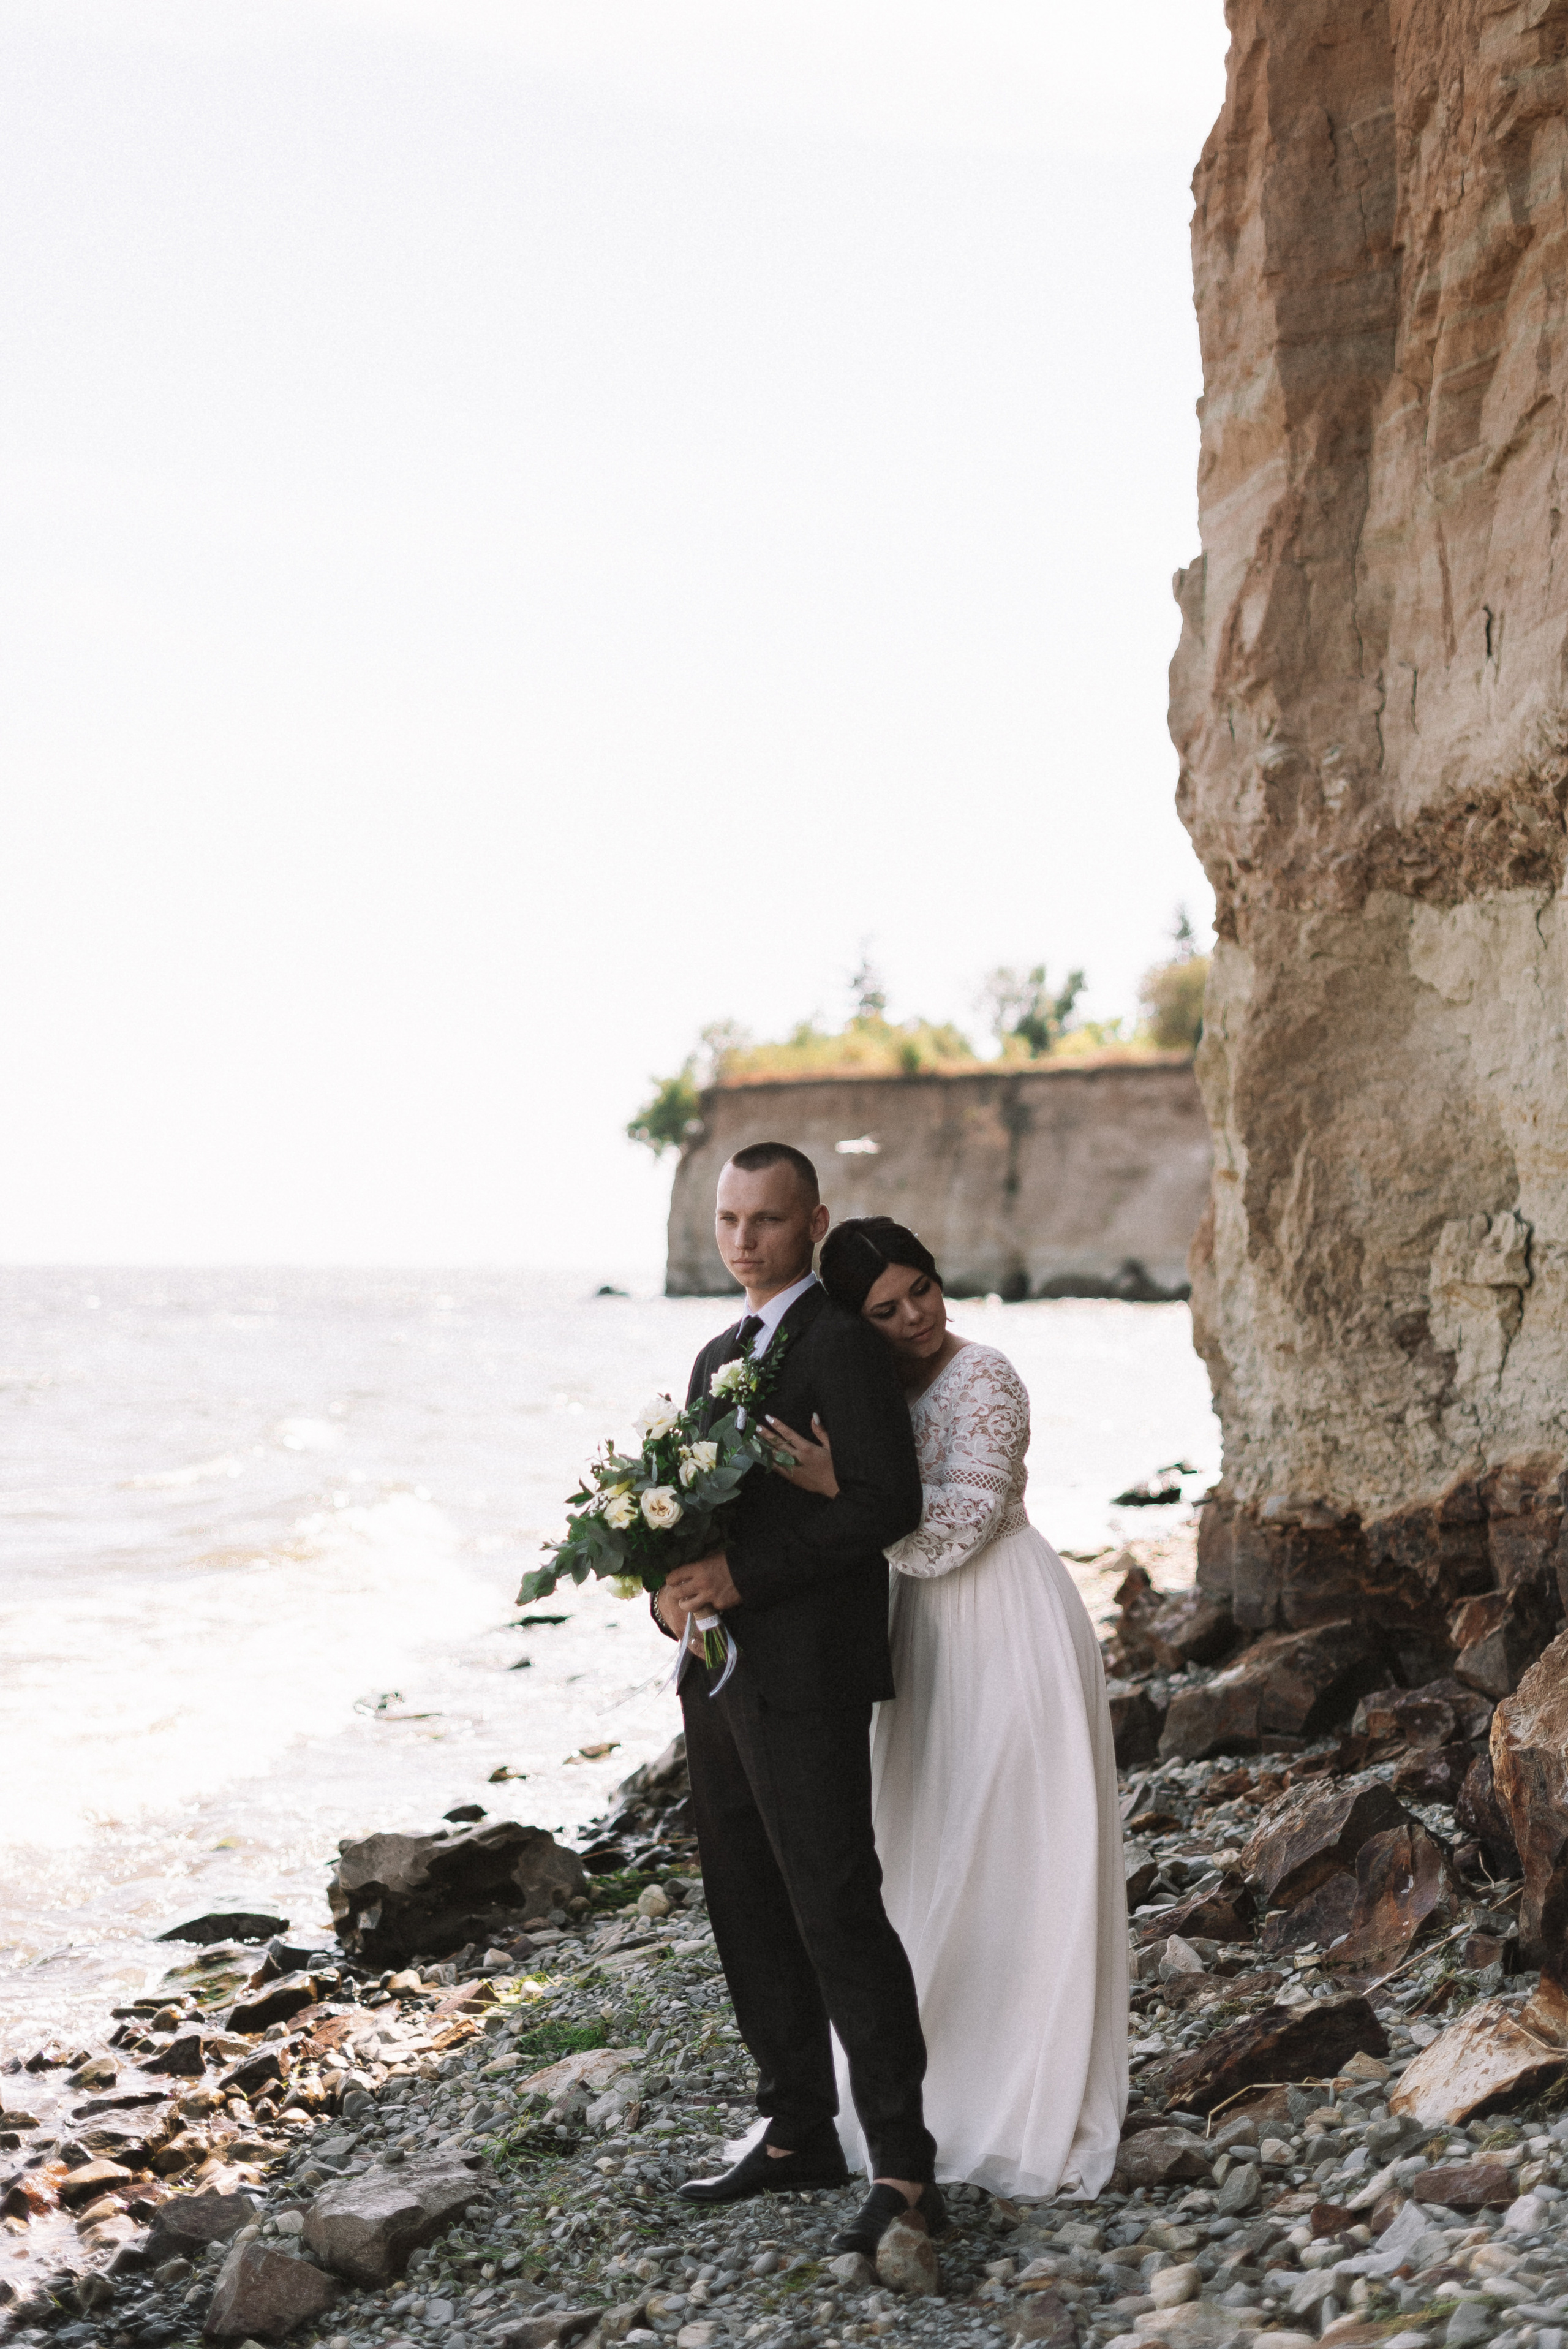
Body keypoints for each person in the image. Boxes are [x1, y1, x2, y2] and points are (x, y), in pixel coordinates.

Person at [760, 1216, 1128, 2201]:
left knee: (1015, 1851)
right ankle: (930, 2087)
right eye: (886, 1308)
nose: (916, 1315)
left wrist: (848, 1489)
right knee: (924, 1845)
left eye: (921, 1288)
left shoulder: (987, 1377)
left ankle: (1027, 2087)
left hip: (1008, 1622)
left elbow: (953, 1532)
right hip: (920, 1636)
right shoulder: (870, 1386)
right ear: (856, 1321)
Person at [654, 1144, 945, 2254]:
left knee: (835, 1903)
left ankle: (906, 2167)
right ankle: (794, 2130)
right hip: (720, 1670)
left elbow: (885, 1500)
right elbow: (687, 1517)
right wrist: (670, 1593)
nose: (742, 1240)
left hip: (813, 1670)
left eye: (766, 1220)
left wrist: (744, 1577)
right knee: (744, 1895)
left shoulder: (840, 1345)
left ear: (812, 1222)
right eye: (729, 1218)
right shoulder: (715, 1351)